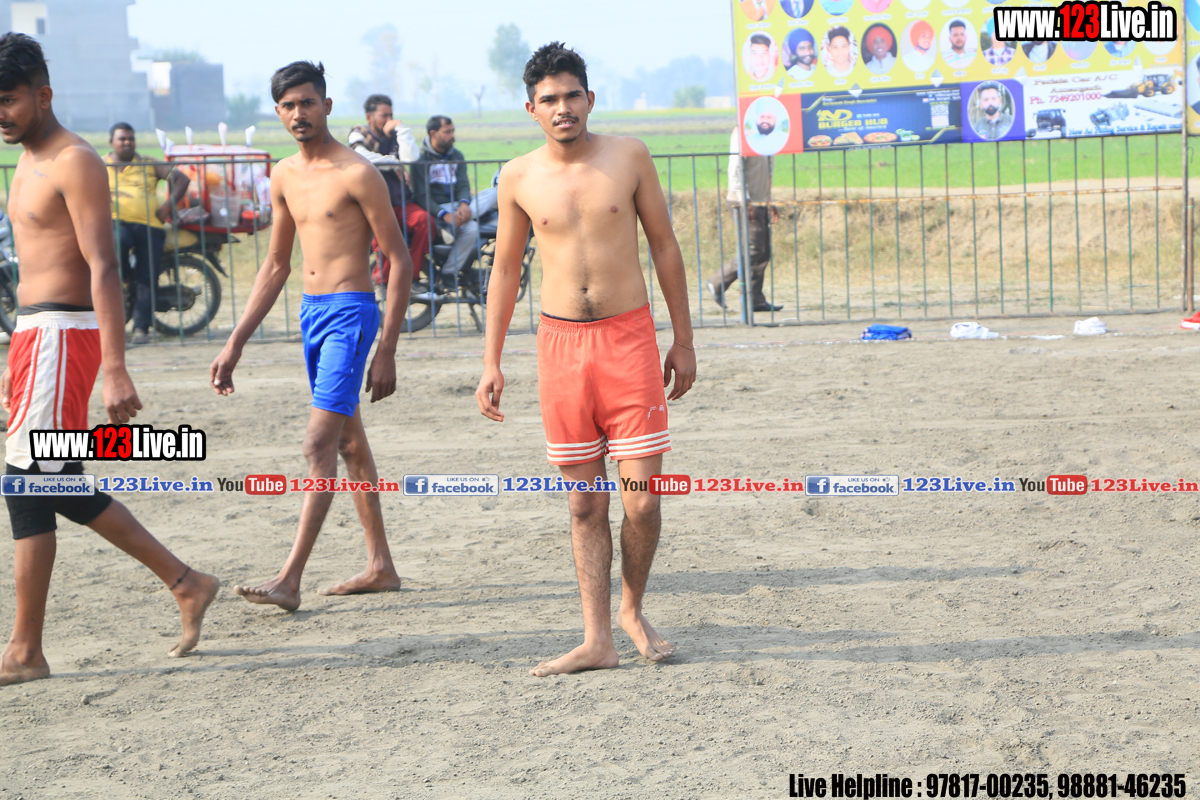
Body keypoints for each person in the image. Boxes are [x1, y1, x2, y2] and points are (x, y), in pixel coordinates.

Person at [0, 33, 218, 686]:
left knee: (27, 486)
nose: (0, 113)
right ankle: (185, 581)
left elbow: (104, 267)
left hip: (64, 335)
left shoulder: (74, 160)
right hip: (34, 336)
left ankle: (25, 651)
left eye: (8, 99)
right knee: (56, 481)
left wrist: (116, 366)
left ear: (43, 95)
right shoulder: (27, 160)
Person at [475, 42, 696, 677]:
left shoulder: (628, 156)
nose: (563, 107)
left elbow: (664, 245)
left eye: (572, 95)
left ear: (590, 99)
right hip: (561, 350)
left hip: (629, 343)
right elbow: (506, 269)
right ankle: (596, 638)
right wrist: (491, 360)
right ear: (532, 109)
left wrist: (683, 339)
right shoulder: (517, 176)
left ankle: (632, 609)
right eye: (549, 99)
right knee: (583, 505)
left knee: (642, 501)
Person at [210, 61, 413, 612]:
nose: (298, 113)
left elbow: (399, 261)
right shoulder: (283, 175)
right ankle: (380, 566)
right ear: (278, 113)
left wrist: (387, 349)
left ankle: (289, 579)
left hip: (350, 314)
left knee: (317, 445)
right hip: (311, 314)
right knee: (349, 443)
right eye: (288, 105)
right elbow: (276, 264)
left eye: (307, 102)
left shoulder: (357, 173)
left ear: (326, 105)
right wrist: (235, 342)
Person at [105, 122, 190, 345]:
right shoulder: (100, 165)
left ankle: (140, 328)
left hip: (149, 226)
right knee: (119, 241)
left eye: (131, 138)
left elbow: (182, 179)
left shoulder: (148, 163)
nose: (127, 142)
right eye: (122, 139)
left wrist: (166, 208)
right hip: (115, 223)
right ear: (112, 142)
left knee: (147, 277)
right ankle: (126, 277)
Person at [348, 94, 432, 285]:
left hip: (401, 202)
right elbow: (361, 156)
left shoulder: (396, 134)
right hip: (375, 205)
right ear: (369, 117)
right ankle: (382, 283)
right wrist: (394, 163)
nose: (389, 120)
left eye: (391, 115)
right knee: (386, 237)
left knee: (425, 221)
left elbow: (411, 158)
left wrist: (401, 129)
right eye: (383, 115)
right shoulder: (359, 133)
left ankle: (412, 276)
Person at [707, 127, 783, 314]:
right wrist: (744, 199)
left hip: (760, 200)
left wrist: (769, 200)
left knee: (763, 252)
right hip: (743, 201)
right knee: (754, 249)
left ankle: (755, 299)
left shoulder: (770, 134)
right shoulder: (743, 131)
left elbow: (766, 171)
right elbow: (735, 168)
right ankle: (717, 282)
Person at [410, 115, 479, 281]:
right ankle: (448, 274)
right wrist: (444, 214)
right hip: (437, 210)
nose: (452, 136)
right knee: (471, 228)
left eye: (453, 131)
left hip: (458, 207)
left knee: (494, 194)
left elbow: (463, 185)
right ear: (433, 134)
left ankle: (450, 271)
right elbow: (422, 195)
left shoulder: (457, 155)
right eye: (447, 132)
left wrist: (464, 204)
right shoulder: (420, 159)